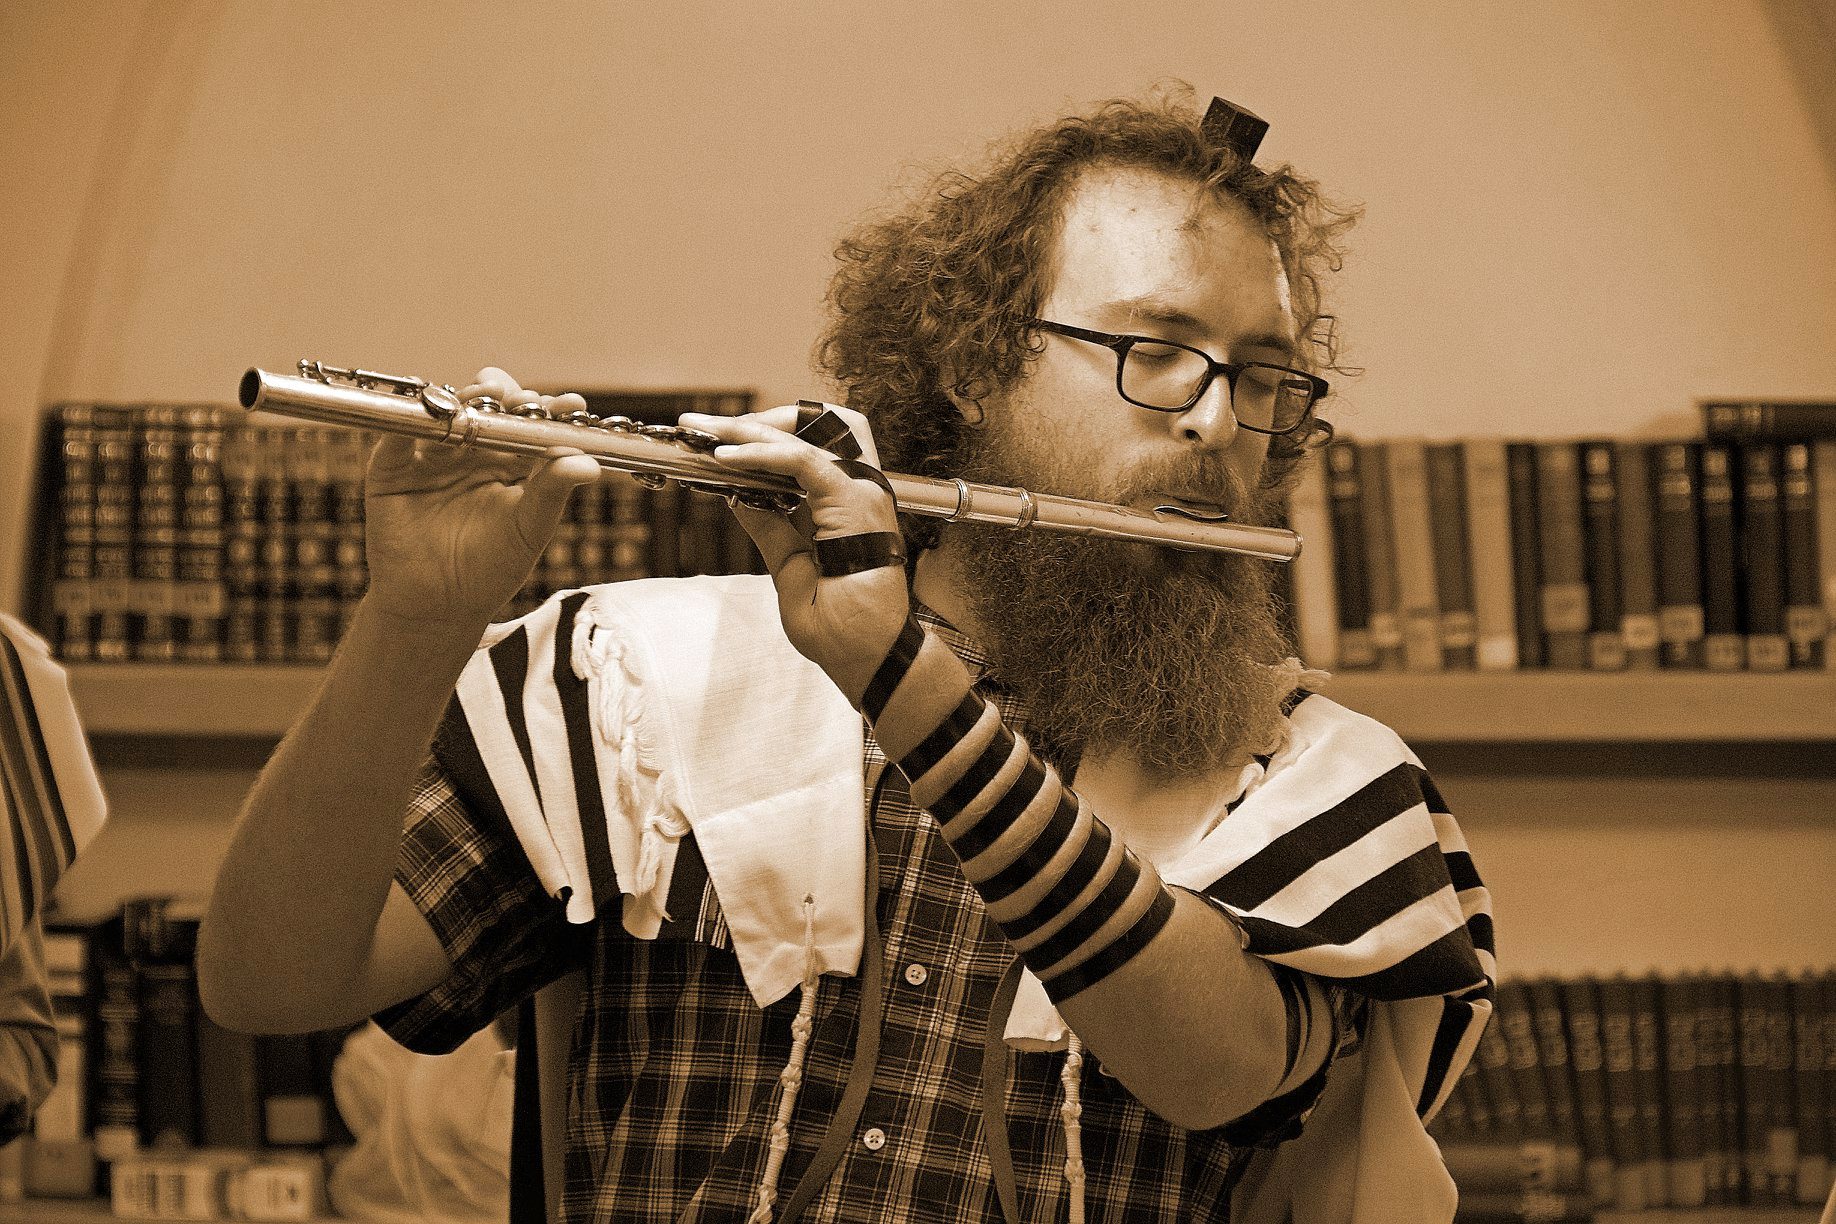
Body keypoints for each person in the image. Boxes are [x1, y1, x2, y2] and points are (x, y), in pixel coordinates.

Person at [198, 89, 1495, 1222]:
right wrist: (413, 621)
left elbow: (1221, 1066)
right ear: (977, 365)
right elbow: (267, 979)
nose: (1220, 422)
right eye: (1156, 353)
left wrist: (901, 684)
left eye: (1265, 379)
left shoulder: (1324, 779)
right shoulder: (631, 676)